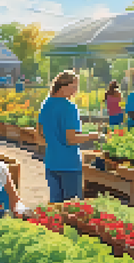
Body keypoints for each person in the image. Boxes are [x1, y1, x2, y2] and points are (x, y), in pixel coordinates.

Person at [38, 71, 99, 203]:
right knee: (72, 208)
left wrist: (54, 141)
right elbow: (71, 139)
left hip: (51, 162)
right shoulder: (69, 108)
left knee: (55, 206)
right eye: (74, 87)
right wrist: (92, 136)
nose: (75, 91)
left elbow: (40, 134)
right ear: (62, 86)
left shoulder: (46, 104)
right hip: (69, 164)